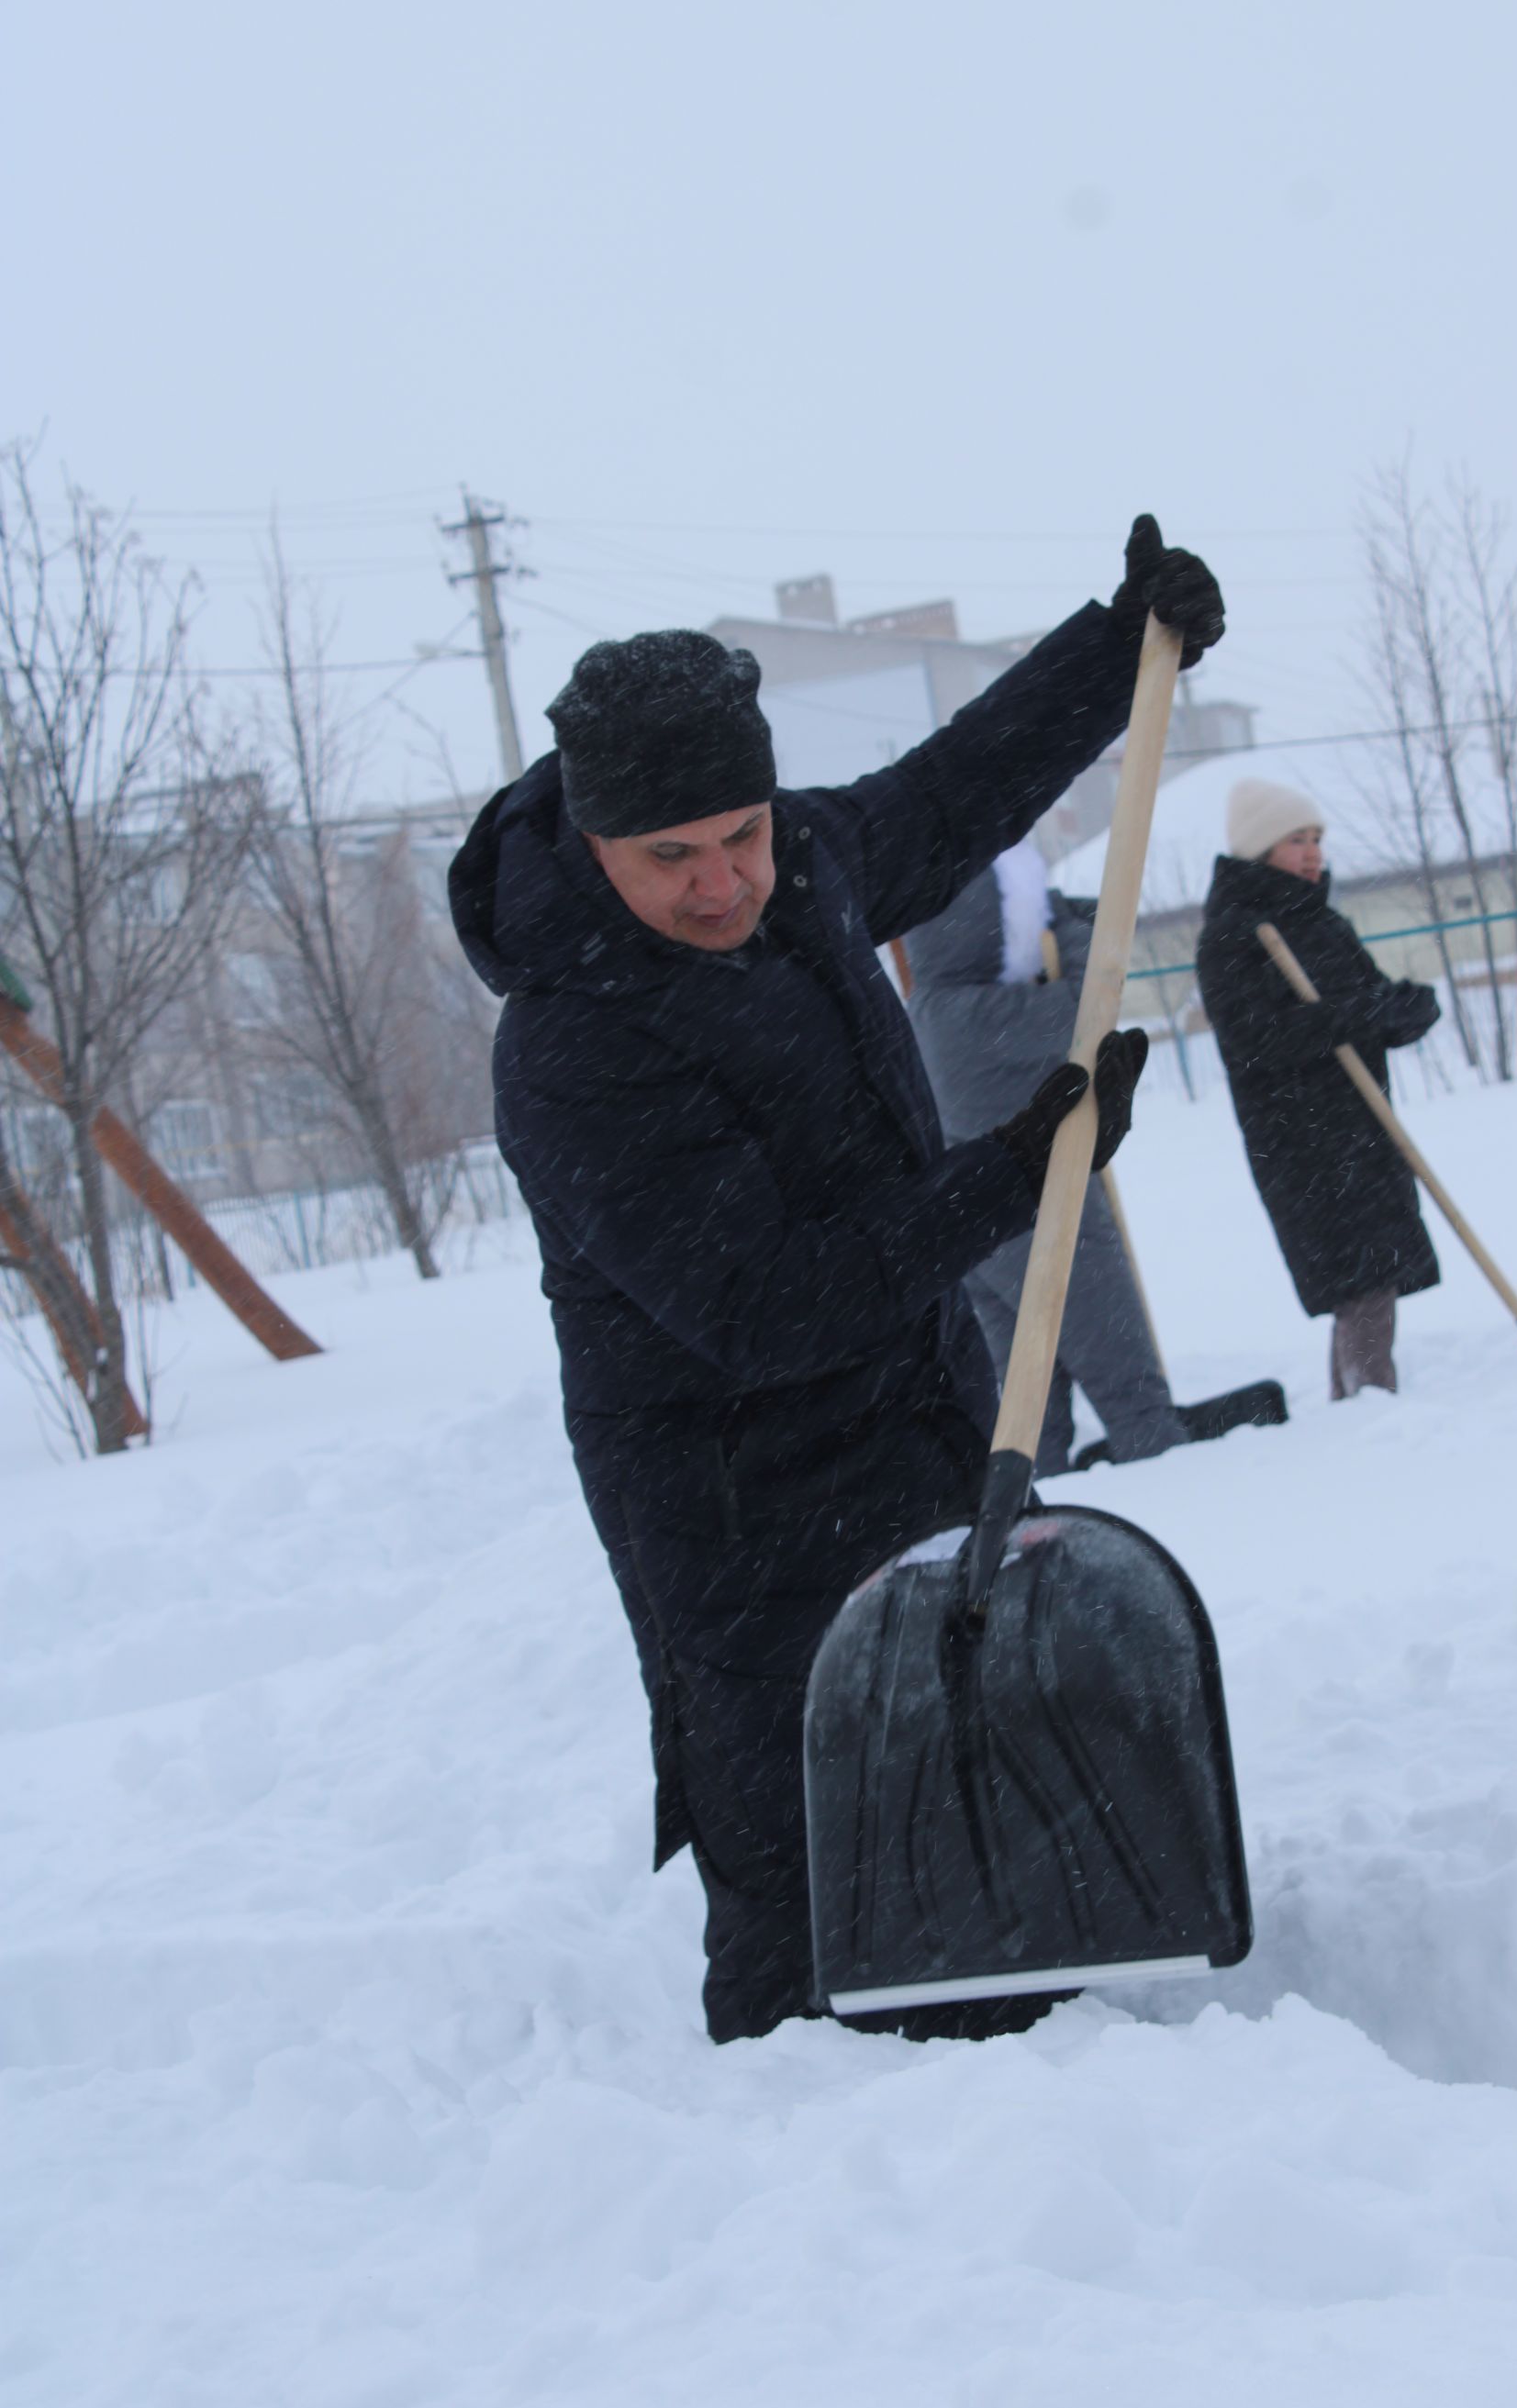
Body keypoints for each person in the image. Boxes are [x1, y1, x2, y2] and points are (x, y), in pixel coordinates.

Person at [450, 516, 1225, 2045]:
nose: (726, 880)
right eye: (672, 857)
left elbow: (950, 794)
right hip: (728, 1495)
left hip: (906, 1418)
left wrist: (1123, 646)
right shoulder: (573, 1043)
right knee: (797, 1844)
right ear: (592, 842)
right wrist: (1015, 1173)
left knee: (959, 1767)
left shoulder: (797, 863)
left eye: (741, 833)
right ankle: (791, 2159)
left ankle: (1006, 2052)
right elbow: (764, 1304)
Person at [902, 835, 1286, 1470]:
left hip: (986, 1225)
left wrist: (1058, 914)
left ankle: (1042, 1505)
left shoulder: (937, 1004)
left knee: (1029, 1410)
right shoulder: (965, 1013)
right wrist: (1075, 929)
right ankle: (1176, 1490)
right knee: (1126, 1382)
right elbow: (1088, 1003)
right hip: (1046, 1219)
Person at [1195, 778, 1442, 1400]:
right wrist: (1358, 1015)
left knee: (1370, 1272)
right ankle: (1369, 1400)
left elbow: (1366, 1003)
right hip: (1302, 1137)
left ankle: (1356, 1402)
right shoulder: (1232, 935)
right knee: (1361, 1273)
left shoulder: (1321, 921)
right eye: (1294, 841)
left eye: (1316, 840)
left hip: (1358, 1122)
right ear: (1259, 849)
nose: (1311, 854)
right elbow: (1257, 1039)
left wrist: (1403, 1010)